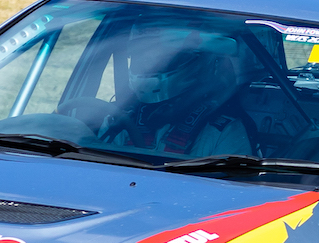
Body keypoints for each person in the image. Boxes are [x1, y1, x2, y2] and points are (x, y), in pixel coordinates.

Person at [94, 27, 253, 158]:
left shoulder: (224, 130)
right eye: (142, 59)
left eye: (162, 59)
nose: (150, 66)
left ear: (194, 62)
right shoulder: (120, 121)